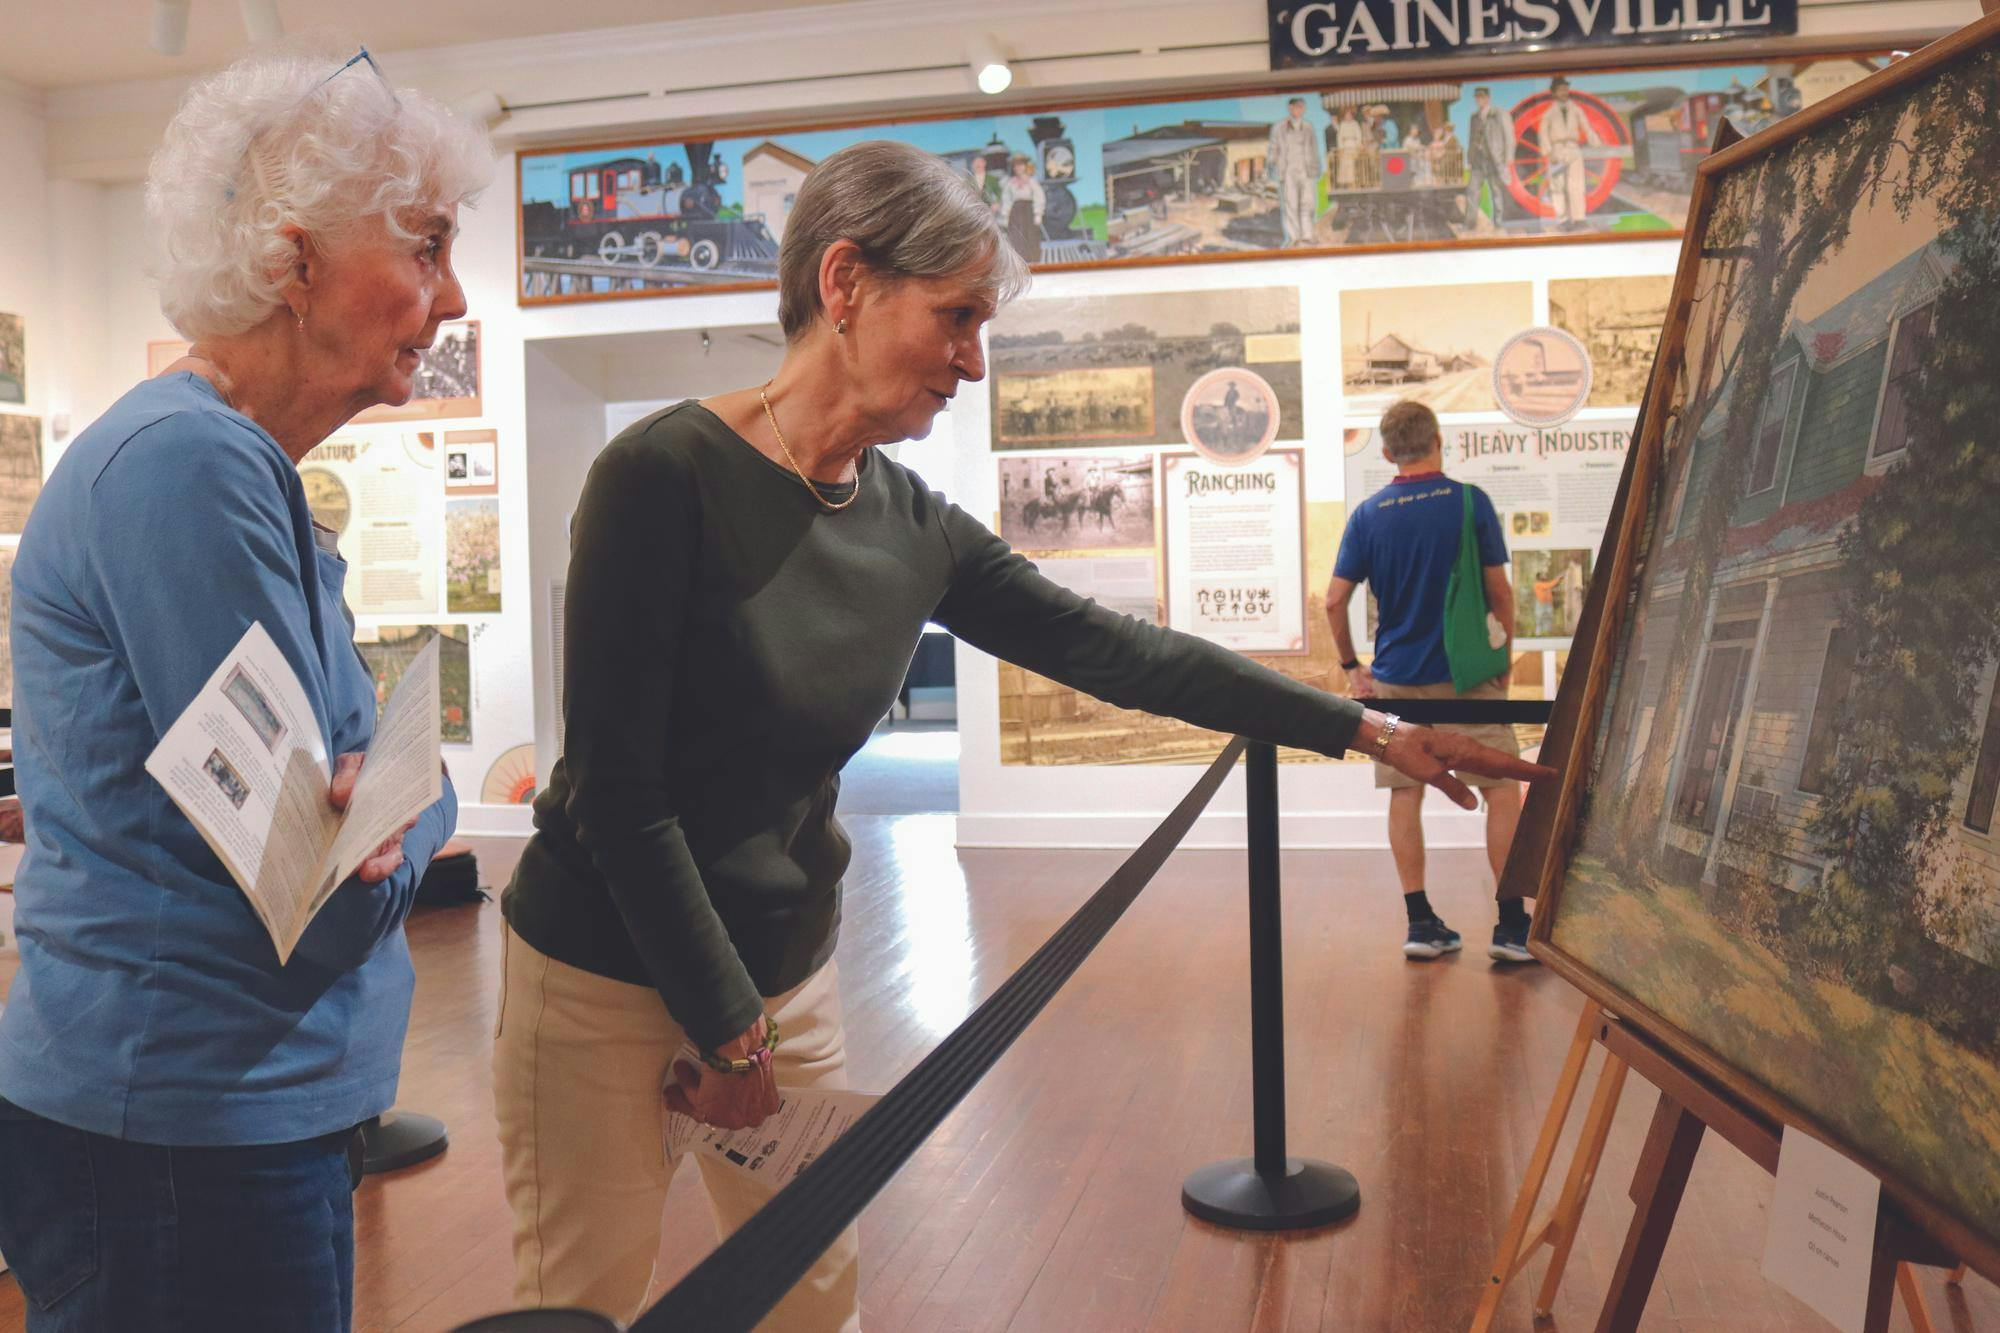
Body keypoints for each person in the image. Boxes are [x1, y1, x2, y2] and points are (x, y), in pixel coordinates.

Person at [492, 140, 1551, 1331]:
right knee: (580, 1303)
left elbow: (1121, 650)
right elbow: (618, 794)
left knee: (808, 1292)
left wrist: (1368, 728)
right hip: (604, 974)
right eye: (954, 317)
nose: (974, 362)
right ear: (843, 283)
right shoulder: (659, 475)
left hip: (781, 974)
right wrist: (728, 1033)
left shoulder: (909, 524)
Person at [0, 46, 484, 1331]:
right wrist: (412, 791)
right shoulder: (184, 471)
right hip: (186, 1127)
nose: (452, 298)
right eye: (427, 247)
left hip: (217, 1112)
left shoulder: (229, 466)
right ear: (295, 260)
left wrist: (404, 795)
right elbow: (324, 894)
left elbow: (375, 811)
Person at [1323, 399, 1536, 965]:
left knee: (1403, 792)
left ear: (1388, 452)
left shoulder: (1368, 514)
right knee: (1500, 791)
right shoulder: (1470, 502)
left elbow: (1334, 601)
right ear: (1439, 440)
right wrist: (1504, 658)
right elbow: (1501, 594)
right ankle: (1512, 927)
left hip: (1394, 681)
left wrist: (1352, 668)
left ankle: (1421, 923)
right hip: (1467, 678)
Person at [1541, 76, 1597, 232]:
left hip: (1573, 149)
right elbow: (1543, 133)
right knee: (1558, 186)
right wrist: (1548, 151)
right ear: (1554, 92)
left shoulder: (1576, 109)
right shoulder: (1549, 113)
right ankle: (1563, 220)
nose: (1564, 91)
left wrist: (1595, 141)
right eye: (1560, 89)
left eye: (1565, 88)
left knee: (1577, 185)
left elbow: (1586, 126)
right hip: (1557, 150)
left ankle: (1579, 218)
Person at [1266, 96, 1322, 248]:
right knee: (1290, 204)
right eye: (1296, 107)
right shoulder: (1280, 128)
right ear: (1290, 108)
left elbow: (1314, 148)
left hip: (1306, 169)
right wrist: (1271, 162)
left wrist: (1316, 168)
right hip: (1288, 169)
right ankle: (1294, 237)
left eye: (1302, 107)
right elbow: (1273, 147)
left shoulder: (1308, 127)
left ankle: (1307, 236)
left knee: (1308, 203)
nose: (1299, 110)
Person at [1466, 86, 1515, 229]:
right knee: (1472, 190)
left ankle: (1499, 223)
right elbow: (1471, 140)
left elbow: (1509, 137)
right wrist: (1470, 159)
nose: (1480, 100)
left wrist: (1508, 157)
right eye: (1477, 97)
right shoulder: (1474, 117)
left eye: (1482, 97)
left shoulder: (1499, 114)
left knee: (1497, 192)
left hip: (1495, 159)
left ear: (1488, 98)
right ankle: (1470, 224)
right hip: (1478, 160)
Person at [999, 152, 1045, 263]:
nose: (1018, 168)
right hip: (1015, 212)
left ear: (1025, 166)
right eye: (1015, 165)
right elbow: (1007, 200)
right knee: (1016, 237)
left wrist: (1038, 214)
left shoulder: (1031, 181)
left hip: (1029, 212)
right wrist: (1005, 216)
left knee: (1031, 236)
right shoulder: (1010, 183)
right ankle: (1019, 263)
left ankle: (1034, 262)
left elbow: (1039, 197)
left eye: (1021, 165)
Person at [1335, 108, 1363, 189]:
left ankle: (1353, 183)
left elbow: (1358, 135)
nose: (1348, 116)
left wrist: (1358, 145)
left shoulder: (1355, 124)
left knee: (1352, 165)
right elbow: (1339, 137)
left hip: (1353, 145)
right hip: (1345, 146)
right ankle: (1345, 183)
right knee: (1344, 165)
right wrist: (1341, 147)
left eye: (1349, 115)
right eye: (1347, 115)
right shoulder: (1342, 124)